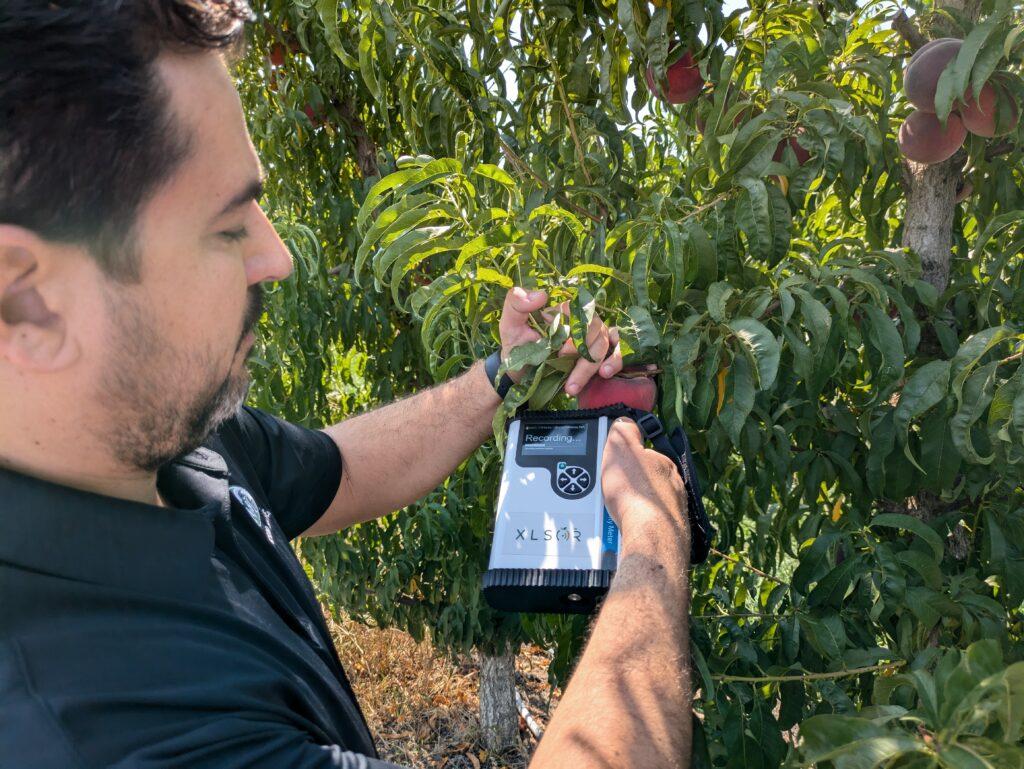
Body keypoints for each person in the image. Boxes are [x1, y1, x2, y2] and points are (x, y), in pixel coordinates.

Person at [0, 2, 694, 767]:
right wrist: (654, 542)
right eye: (228, 227)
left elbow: (344, 468)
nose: (278, 256)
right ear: (26, 300)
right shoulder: (93, 727)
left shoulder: (157, 433)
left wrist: (504, 373)